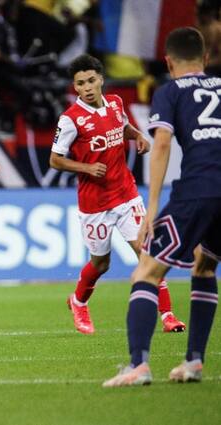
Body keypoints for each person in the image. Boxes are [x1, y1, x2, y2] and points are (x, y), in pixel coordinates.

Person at [103, 27, 220, 387]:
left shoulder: (169, 92)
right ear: (204, 58)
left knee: (146, 273)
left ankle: (138, 365)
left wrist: (151, 207)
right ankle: (194, 362)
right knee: (204, 267)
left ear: (168, 62)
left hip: (197, 191)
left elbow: (163, 144)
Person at [49, 54, 186, 335]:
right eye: (80, 83)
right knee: (101, 263)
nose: (86, 87)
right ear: (74, 87)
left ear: (100, 79)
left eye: (90, 80)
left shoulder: (115, 103)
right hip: (95, 204)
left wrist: (136, 135)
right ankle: (78, 302)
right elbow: (55, 159)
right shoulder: (70, 120)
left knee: (148, 254)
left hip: (126, 194)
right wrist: (86, 166)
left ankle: (168, 316)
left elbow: (121, 126)